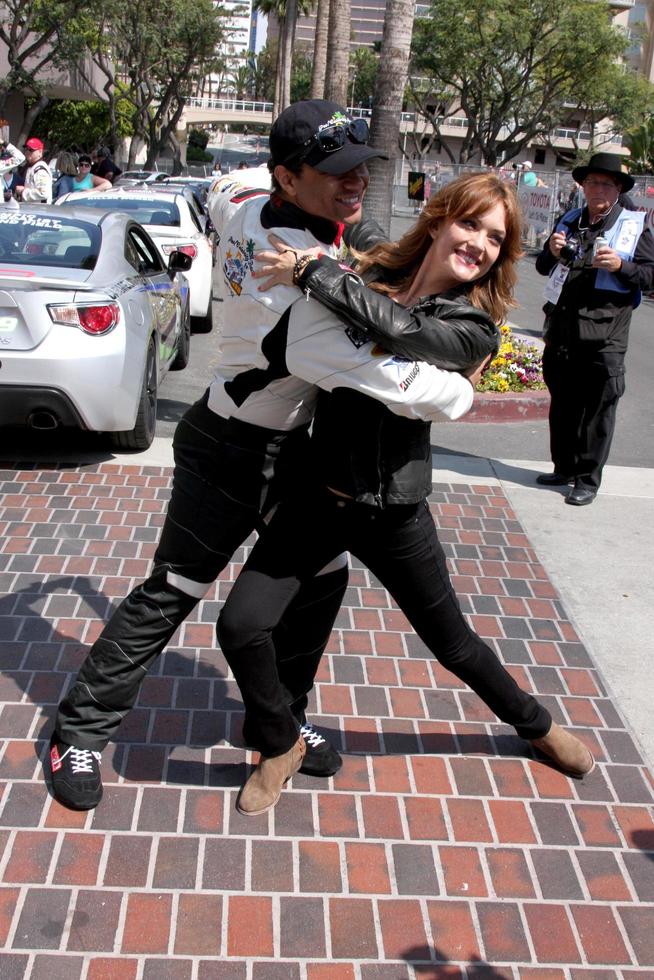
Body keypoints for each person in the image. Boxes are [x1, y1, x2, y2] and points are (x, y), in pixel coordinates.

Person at [47, 99, 495, 812]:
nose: (354, 184)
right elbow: (389, 377)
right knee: (174, 592)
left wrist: (350, 224)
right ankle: (78, 732)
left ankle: (281, 725)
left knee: (321, 581)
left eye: (360, 169)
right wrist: (459, 396)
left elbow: (232, 187)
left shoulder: (248, 194)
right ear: (290, 179)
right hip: (231, 449)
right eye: (336, 172)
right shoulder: (289, 280)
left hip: (292, 452)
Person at [216, 172, 595, 817]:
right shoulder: (379, 270)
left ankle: (536, 726)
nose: (477, 243)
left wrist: (318, 277)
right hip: (320, 494)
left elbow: (407, 332)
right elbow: (349, 222)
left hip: (393, 512)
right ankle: (280, 743)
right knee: (240, 625)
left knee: (453, 644)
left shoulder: (472, 326)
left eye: (494, 238)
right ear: (442, 218)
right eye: (469, 223)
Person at [535, 152, 654, 506]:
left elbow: (650, 275)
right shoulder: (571, 219)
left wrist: (621, 266)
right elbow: (543, 266)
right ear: (583, 186)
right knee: (563, 402)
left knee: (598, 408)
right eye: (591, 182)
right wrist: (552, 251)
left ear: (618, 189)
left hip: (606, 334)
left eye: (605, 183)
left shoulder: (634, 226)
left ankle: (587, 478)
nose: (597, 188)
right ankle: (565, 467)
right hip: (564, 328)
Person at [14, 137, 52, 203]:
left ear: (40, 152)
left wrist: (23, 191)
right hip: (32, 209)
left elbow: (44, 193)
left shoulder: (40, 170)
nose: (27, 152)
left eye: (31, 150)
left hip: (39, 210)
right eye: (26, 149)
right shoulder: (32, 167)